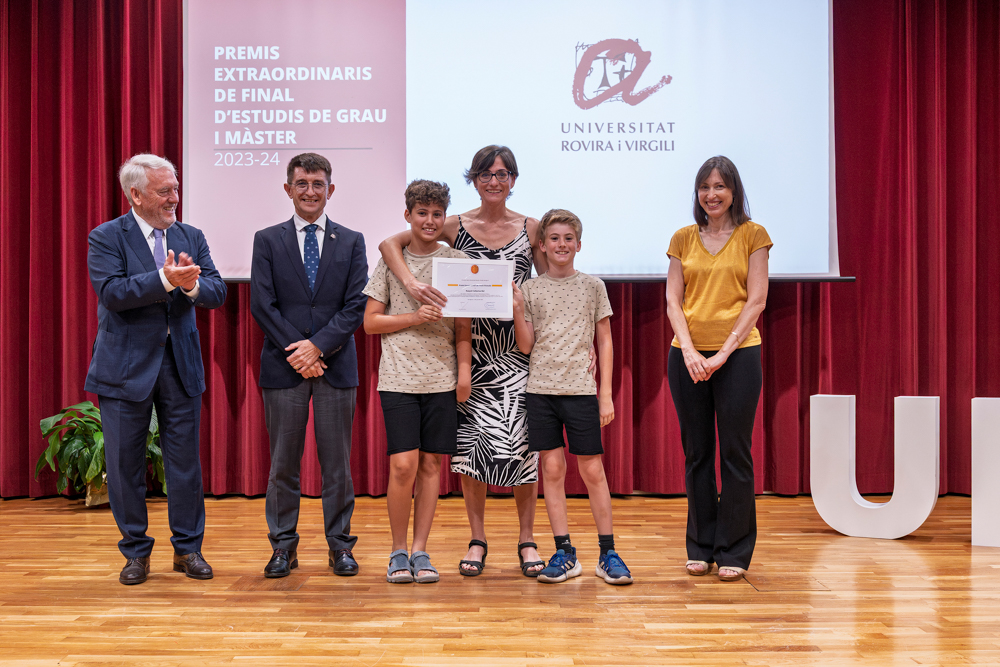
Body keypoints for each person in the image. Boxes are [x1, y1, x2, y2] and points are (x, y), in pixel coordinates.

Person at [377, 145, 546, 577]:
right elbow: (389, 244)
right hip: (465, 353)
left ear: (513, 179)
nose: (494, 181)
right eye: (485, 173)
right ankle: (477, 538)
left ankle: (527, 539)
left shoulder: (531, 227)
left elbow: (548, 287)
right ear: (473, 179)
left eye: (503, 173)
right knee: (471, 451)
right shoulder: (451, 225)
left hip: (516, 351)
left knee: (522, 448)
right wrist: (411, 284)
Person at [86, 153, 227, 585]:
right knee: (124, 465)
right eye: (164, 191)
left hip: (180, 365)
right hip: (124, 368)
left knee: (185, 463)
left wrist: (193, 285)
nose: (174, 198)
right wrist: (167, 281)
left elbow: (217, 291)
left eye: (176, 189)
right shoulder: (106, 236)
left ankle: (188, 550)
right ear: (136, 194)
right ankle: (135, 553)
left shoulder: (190, 235)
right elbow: (112, 293)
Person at [250, 153, 368, 578]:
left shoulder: (352, 240)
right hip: (284, 368)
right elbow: (262, 305)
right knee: (283, 464)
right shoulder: (267, 239)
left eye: (318, 184)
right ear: (288, 189)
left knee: (337, 464)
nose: (310, 191)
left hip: (335, 367)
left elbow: (355, 305)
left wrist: (317, 348)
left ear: (330, 190)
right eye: (302, 183)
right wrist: (299, 353)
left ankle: (340, 547)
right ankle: (283, 547)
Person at [512, 208, 633, 586]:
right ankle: (564, 552)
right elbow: (526, 345)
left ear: (578, 244)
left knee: (592, 470)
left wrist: (606, 395)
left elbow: (605, 341)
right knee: (551, 470)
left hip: (581, 391)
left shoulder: (593, 286)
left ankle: (608, 552)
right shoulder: (530, 289)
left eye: (568, 238)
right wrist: (518, 312)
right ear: (542, 245)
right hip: (541, 392)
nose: (561, 244)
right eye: (554, 239)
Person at [665, 155, 771, 582]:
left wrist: (723, 354)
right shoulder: (682, 238)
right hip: (687, 357)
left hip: (738, 356)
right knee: (697, 454)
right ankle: (701, 546)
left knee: (735, 454)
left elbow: (757, 300)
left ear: (733, 191)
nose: (712, 194)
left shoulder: (753, 235)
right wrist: (690, 352)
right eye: (705, 187)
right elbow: (673, 301)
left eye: (720, 186)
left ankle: (734, 550)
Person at [363, 180, 472, 584]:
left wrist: (464, 371)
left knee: (430, 465)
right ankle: (397, 551)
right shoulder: (392, 263)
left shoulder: (457, 261)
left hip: (442, 378)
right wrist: (413, 316)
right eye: (422, 213)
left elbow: (463, 326)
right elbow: (370, 323)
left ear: (445, 218)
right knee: (402, 465)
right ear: (407, 215)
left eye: (436, 214)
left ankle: (421, 550)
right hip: (398, 378)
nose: (429, 220)